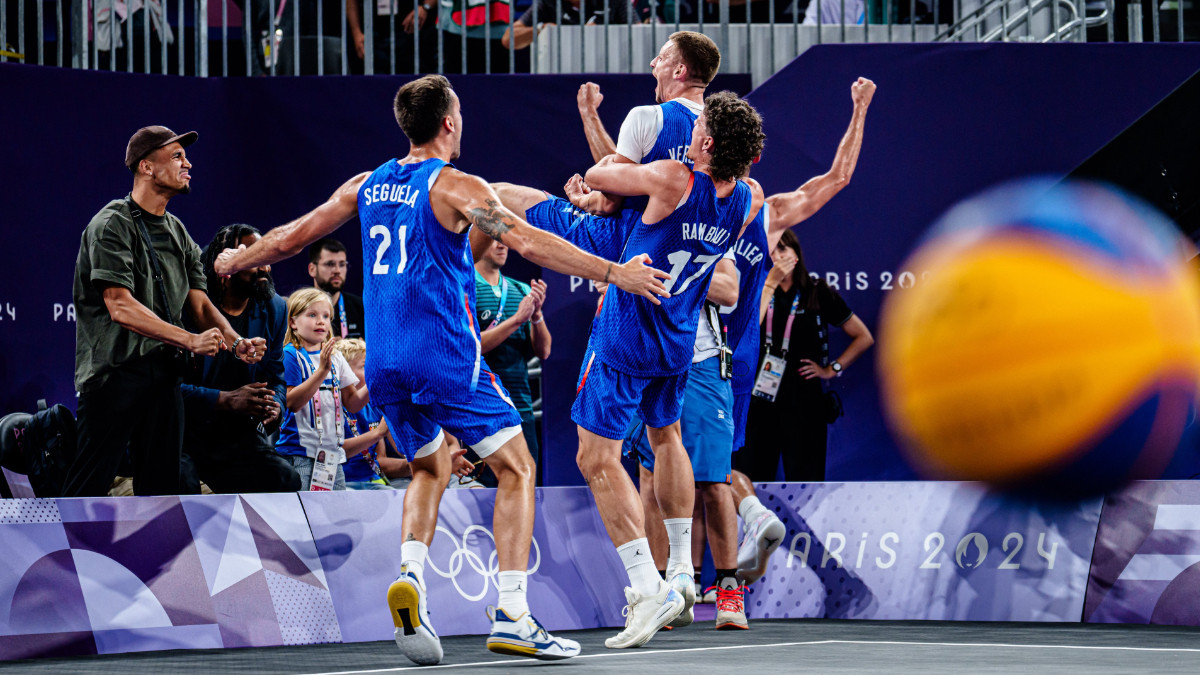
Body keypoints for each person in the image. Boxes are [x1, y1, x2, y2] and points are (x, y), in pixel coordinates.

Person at [214, 75, 670, 664]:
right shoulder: (455, 185)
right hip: (445, 357)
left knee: (429, 467)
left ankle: (411, 579)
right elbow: (529, 240)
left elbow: (289, 238)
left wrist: (236, 258)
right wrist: (616, 272)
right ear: (450, 122)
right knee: (516, 467)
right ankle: (513, 613)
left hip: (384, 365)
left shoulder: (367, 184)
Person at [569, 92, 764, 649]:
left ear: (704, 142)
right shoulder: (747, 197)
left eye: (698, 126)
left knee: (596, 456)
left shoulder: (675, 177)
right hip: (680, 340)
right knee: (667, 437)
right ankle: (681, 570)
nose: (691, 130)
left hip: (630, 332)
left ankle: (647, 586)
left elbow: (600, 173)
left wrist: (599, 195)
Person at [66, 126, 267, 498]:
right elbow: (120, 306)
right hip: (114, 376)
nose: (188, 163)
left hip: (163, 376)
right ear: (146, 166)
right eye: (176, 156)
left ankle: (152, 559)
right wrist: (190, 339)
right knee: (88, 487)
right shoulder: (111, 224)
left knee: (162, 490)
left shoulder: (177, 230)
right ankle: (62, 556)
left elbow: (201, 303)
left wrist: (235, 341)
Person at [741, 229, 874, 482]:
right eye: (771, 250)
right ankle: (758, 523)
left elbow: (863, 336)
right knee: (753, 478)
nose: (777, 255)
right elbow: (746, 331)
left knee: (806, 479)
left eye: (783, 248)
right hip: (759, 401)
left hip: (804, 402)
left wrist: (832, 368)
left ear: (796, 255)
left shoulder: (816, 290)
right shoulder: (756, 289)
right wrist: (769, 283)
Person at [180, 224, 301, 495]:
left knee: (285, 479)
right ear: (225, 266)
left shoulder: (274, 307)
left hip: (237, 436)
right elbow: (166, 389)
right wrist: (225, 399)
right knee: (183, 483)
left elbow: (275, 378)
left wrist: (275, 407)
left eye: (266, 259)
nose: (266, 268)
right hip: (182, 433)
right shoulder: (185, 306)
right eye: (255, 259)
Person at [574, 31, 722, 215]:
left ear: (678, 71)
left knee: (527, 199)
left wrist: (580, 199)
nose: (652, 62)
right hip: (696, 237)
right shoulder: (723, 127)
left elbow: (610, 201)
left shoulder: (646, 116)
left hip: (633, 236)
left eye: (660, 58)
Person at [277, 288, 371, 491]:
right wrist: (322, 371)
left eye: (326, 316)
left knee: (333, 513)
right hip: (299, 453)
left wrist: (375, 379)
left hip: (331, 456)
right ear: (293, 322)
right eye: (312, 315)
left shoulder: (336, 357)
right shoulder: (291, 355)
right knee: (307, 513)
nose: (321, 321)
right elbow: (292, 403)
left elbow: (353, 403)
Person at [474, 242, 551, 481]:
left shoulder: (520, 290)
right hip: (480, 406)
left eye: (504, 238)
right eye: (493, 238)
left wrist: (536, 316)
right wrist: (517, 320)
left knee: (525, 481)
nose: (501, 244)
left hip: (520, 406)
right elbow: (470, 348)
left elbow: (544, 351)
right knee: (485, 488)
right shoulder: (464, 286)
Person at [336, 338, 414, 490]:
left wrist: (428, 464)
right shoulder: (332, 407)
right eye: (365, 366)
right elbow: (334, 450)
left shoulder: (374, 406)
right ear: (343, 373)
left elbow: (381, 460)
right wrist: (378, 433)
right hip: (344, 483)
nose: (372, 372)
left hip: (375, 483)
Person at [501, 0, 630, 51]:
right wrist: (542, 29)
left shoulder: (615, 1)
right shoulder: (548, 3)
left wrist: (602, 34)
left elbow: (639, 33)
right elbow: (508, 39)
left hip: (608, 71)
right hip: (561, 76)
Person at [309, 237, 365, 339]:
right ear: (312, 269)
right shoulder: (300, 309)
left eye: (342, 264)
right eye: (330, 264)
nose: (337, 270)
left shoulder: (361, 308)